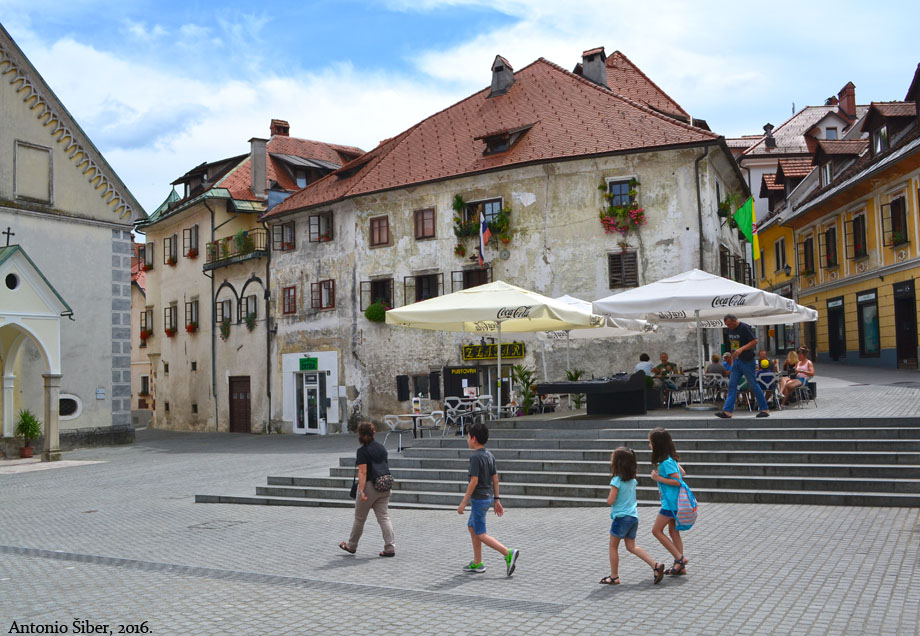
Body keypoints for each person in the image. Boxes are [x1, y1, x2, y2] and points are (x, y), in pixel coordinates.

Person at [457, 421, 519, 576]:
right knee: (472, 527)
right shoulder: (489, 456)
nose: (467, 439)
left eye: (468, 436)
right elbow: (495, 479)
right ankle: (478, 562)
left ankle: (507, 552)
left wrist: (463, 503)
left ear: (474, 439)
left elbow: (474, 481)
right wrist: (497, 499)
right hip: (487, 498)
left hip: (478, 500)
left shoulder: (475, 458)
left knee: (480, 533)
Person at [600, 447, 665, 585]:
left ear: (617, 463)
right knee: (631, 546)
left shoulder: (616, 481)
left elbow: (611, 500)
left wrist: (608, 500)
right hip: (633, 518)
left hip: (621, 518)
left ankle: (614, 576)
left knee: (613, 547)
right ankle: (655, 565)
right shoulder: (632, 480)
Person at [339, 422, 396, 557]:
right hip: (385, 484)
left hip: (370, 486)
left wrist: (362, 491)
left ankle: (351, 545)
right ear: (374, 433)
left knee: (359, 518)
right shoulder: (382, 448)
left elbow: (363, 472)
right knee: (384, 517)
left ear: (359, 435)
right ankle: (390, 547)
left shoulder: (362, 451)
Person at [648, 427, 688, 576]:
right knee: (673, 531)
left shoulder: (665, 462)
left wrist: (658, 478)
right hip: (673, 502)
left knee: (656, 531)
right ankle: (680, 567)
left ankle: (680, 559)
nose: (649, 445)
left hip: (670, 503)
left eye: (650, 442)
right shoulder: (669, 460)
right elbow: (682, 473)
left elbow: (678, 481)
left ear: (657, 445)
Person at [715, 314, 770, 419]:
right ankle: (728, 411)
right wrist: (732, 357)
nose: (728, 326)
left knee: (753, 384)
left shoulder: (744, 327)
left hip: (747, 361)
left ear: (735, 321)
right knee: (732, 385)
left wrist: (741, 349)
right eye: (726, 325)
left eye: (730, 324)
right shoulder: (731, 330)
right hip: (736, 361)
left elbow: (755, 341)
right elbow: (733, 345)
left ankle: (765, 409)